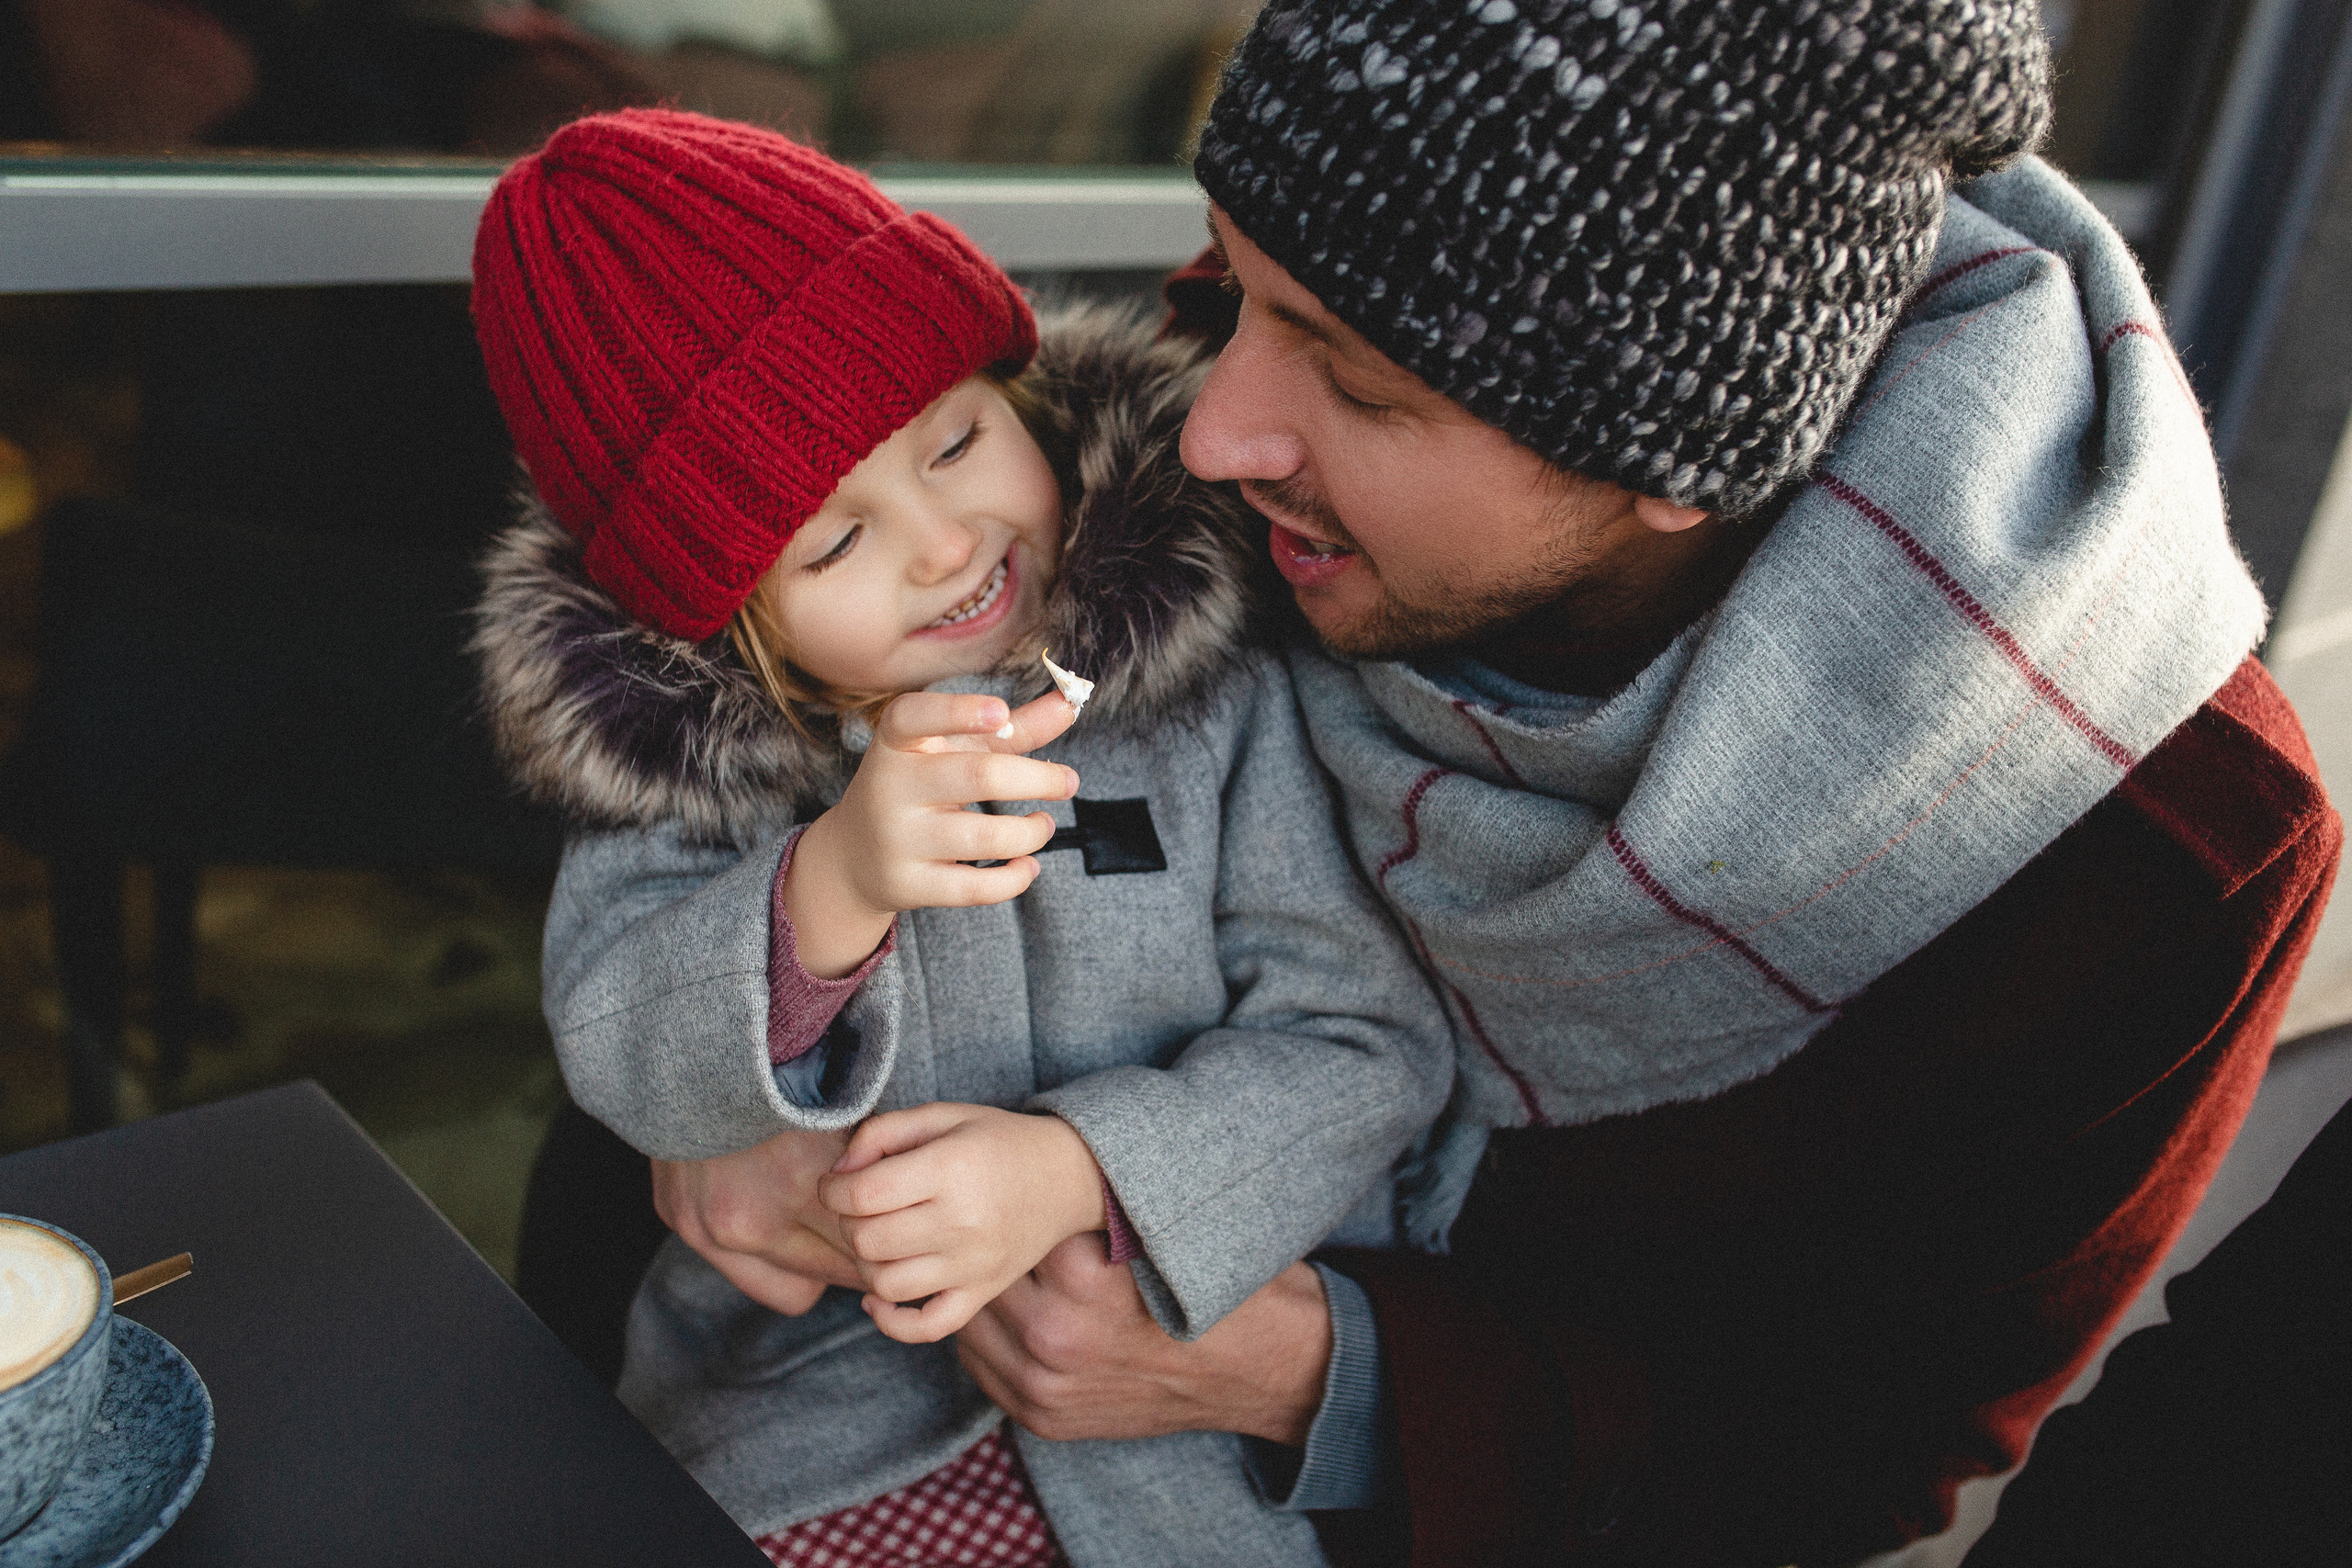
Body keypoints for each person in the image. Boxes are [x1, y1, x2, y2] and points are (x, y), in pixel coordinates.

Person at [653, 4, 2344, 1564]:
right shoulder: (1302, 360)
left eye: (1355, 384)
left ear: (1676, 461)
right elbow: (770, 751)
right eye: (1236, 283)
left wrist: (1317, 1375)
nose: (1213, 428)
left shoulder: (2159, 855)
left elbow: (1847, 1455)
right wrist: (723, 1106)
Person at [467, 108, 1452, 1566]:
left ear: (1019, 389)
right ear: (720, 616)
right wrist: (829, 884)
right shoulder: (697, 771)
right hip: (808, 1418)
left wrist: (1077, 1170)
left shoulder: (1207, 703)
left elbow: (1366, 1048)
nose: (943, 542)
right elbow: (622, 1045)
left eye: (956, 440)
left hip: (1166, 1439)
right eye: (835, 541)